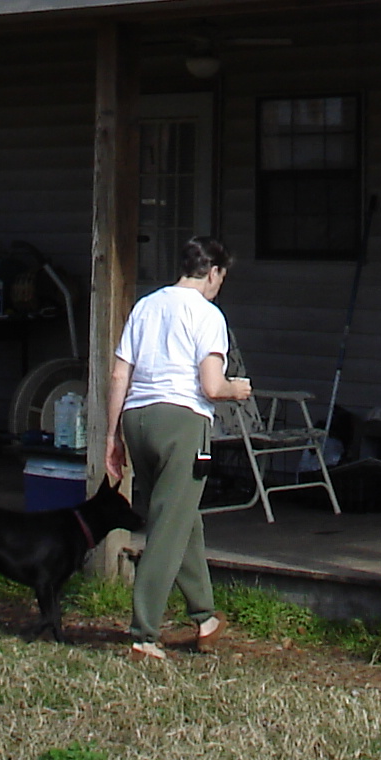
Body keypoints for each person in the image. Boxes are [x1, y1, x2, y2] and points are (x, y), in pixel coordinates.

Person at [102, 234, 250, 661]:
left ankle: (204, 617)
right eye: (221, 277)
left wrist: (112, 437)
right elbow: (211, 385)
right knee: (168, 526)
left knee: (180, 516)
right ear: (214, 272)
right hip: (182, 422)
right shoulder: (207, 314)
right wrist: (236, 389)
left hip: (137, 419)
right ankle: (144, 633)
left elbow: (119, 375)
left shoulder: (146, 306)